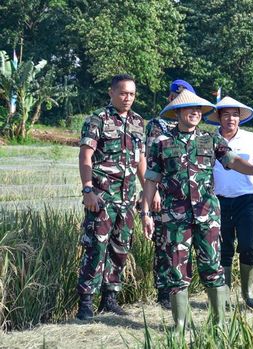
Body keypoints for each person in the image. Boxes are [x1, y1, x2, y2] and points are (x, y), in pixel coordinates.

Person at [141, 90, 253, 330]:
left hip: (207, 215)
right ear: (178, 112)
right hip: (175, 217)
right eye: (189, 109)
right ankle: (180, 324)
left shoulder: (210, 140)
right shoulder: (162, 142)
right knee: (176, 270)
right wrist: (146, 213)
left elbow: (232, 160)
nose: (194, 113)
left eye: (198, 110)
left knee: (213, 266)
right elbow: (151, 179)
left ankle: (219, 322)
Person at [76, 74, 146, 320]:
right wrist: (88, 189)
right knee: (96, 247)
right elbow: (86, 156)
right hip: (102, 197)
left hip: (127, 199)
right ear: (112, 92)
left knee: (120, 249)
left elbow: (141, 161)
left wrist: (146, 192)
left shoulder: (138, 121)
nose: (128, 98)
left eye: (132, 94)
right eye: (123, 93)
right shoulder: (97, 120)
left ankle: (110, 299)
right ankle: (85, 304)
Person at [207, 96, 253, 310]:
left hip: (246, 199)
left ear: (240, 118)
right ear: (219, 118)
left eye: (235, 115)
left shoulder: (250, 139)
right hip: (219, 200)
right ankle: (226, 294)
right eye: (226, 114)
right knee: (224, 248)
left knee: (248, 246)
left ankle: (247, 293)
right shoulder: (210, 140)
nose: (231, 119)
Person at [144, 79, 195, 310]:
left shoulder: (191, 126)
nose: (179, 100)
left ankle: (179, 289)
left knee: (180, 245)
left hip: (185, 197)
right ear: (170, 98)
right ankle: (163, 291)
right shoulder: (156, 125)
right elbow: (149, 158)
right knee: (162, 243)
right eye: (176, 96)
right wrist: (151, 194)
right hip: (161, 194)